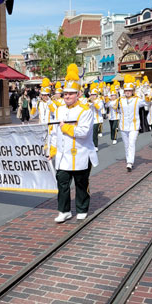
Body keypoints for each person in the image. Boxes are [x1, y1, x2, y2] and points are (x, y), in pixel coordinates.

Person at [49, 63, 98, 223]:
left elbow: (83, 132)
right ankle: (64, 211)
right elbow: (55, 132)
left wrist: (66, 128)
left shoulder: (85, 110)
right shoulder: (58, 110)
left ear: (78, 94)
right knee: (62, 183)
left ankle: (82, 208)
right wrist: (52, 149)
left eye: (71, 94)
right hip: (63, 156)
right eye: (65, 94)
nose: (67, 96)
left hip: (80, 154)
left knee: (81, 183)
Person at [119, 75, 145, 171]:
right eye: (126, 90)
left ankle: (130, 162)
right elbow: (111, 105)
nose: (128, 92)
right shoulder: (120, 100)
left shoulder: (137, 99)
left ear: (132, 91)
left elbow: (146, 103)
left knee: (131, 143)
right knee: (126, 145)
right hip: (123, 125)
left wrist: (146, 95)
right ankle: (128, 160)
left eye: (129, 90)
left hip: (134, 126)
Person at [88, 83, 104, 151]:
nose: (93, 96)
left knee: (94, 133)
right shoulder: (89, 100)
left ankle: (95, 145)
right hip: (89, 120)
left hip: (97, 120)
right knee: (89, 134)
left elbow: (99, 108)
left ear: (96, 95)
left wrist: (93, 102)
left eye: (94, 94)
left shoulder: (100, 101)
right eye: (92, 94)